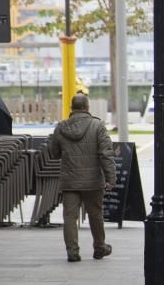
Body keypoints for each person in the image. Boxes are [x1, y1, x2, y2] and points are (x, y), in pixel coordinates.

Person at [47, 93, 117, 262]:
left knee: (70, 217)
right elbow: (106, 154)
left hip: (70, 180)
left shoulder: (61, 127)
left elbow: (53, 153)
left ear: (71, 108)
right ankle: (100, 247)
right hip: (93, 181)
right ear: (87, 107)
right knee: (95, 215)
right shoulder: (97, 125)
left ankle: (72, 252)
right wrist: (111, 177)